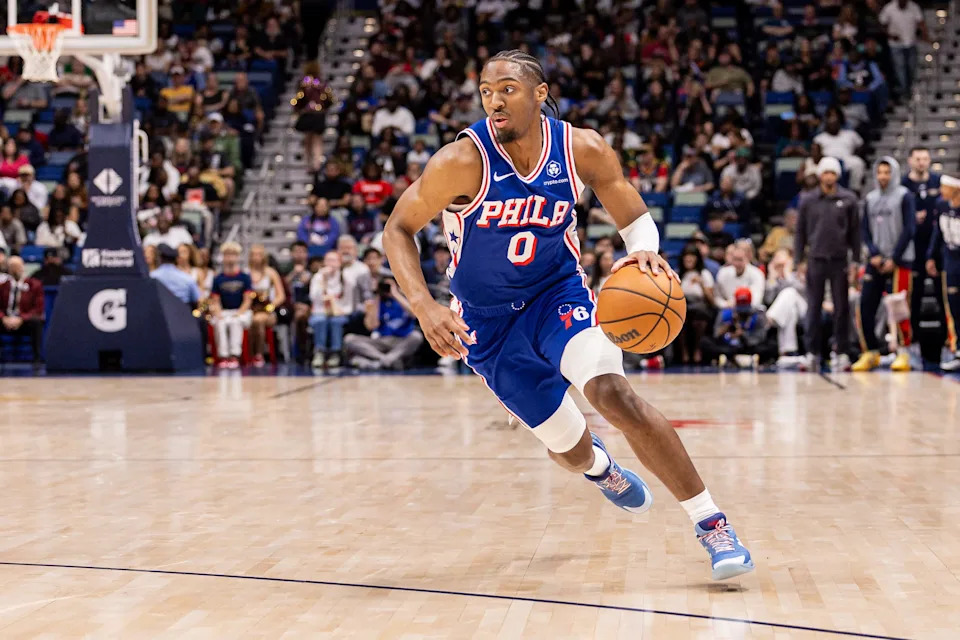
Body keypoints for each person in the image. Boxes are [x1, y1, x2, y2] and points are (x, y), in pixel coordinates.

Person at [381, 51, 753, 580]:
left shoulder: (582, 148)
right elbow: (397, 229)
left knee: (613, 393)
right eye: (486, 91)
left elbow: (634, 214)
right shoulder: (460, 161)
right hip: (486, 325)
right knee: (572, 449)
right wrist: (423, 305)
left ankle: (712, 524)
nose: (494, 101)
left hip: (558, 296)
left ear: (539, 93)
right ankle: (602, 469)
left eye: (507, 89)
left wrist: (645, 250)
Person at [795, 157, 861, 371]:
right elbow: (800, 233)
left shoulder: (849, 199)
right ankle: (812, 352)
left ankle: (841, 352)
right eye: (826, 173)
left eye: (833, 173)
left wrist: (856, 261)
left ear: (837, 175)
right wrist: (799, 260)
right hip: (815, 260)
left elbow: (855, 234)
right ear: (820, 175)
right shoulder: (807, 200)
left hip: (839, 260)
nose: (829, 177)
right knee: (813, 308)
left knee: (841, 308)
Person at [853, 157, 916, 372]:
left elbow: (909, 229)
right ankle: (870, 352)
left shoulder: (904, 196)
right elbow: (865, 230)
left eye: (887, 172)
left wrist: (894, 258)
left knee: (899, 307)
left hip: (900, 259)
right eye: (879, 172)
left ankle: (903, 352)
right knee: (865, 306)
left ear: (894, 174)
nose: (883, 176)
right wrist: (873, 253)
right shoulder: (870, 199)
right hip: (876, 260)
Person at [902, 146, 943, 344]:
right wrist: (911, 218)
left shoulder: (938, 181)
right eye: (917, 158)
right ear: (910, 160)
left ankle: (947, 340)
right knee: (914, 294)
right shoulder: (903, 185)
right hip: (912, 248)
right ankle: (912, 339)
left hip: (936, 248)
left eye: (925, 158)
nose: (921, 162)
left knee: (941, 294)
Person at [343, 276, 424, 370]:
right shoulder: (376, 303)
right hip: (380, 341)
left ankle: (379, 362)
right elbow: (371, 326)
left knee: (417, 336)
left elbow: (415, 315)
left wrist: (395, 294)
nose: (386, 288)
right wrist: (376, 295)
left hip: (401, 340)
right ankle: (386, 360)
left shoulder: (405, 299)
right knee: (349, 339)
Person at [925, 175, 960, 371]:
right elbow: (937, 234)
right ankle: (957, 350)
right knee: (954, 307)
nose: (940, 190)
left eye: (944, 187)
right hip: (950, 261)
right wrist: (931, 257)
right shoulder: (942, 206)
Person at [701, 288, 776, 368]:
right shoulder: (725, 313)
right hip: (729, 347)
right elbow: (716, 334)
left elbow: (761, 337)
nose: (742, 313)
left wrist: (743, 335)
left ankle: (731, 358)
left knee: (772, 345)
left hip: (749, 347)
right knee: (705, 342)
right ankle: (731, 358)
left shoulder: (758, 315)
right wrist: (725, 329)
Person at [209, 242, 254, 369]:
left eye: (233, 255)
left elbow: (247, 300)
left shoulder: (245, 277)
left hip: (241, 311)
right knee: (220, 323)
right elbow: (215, 301)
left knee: (235, 322)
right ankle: (223, 356)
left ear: (238, 257)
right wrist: (218, 313)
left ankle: (235, 355)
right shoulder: (218, 279)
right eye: (227, 255)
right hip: (224, 311)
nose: (230, 258)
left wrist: (239, 312)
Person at [763, 249, 808, 366]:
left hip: (805, 310)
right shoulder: (774, 279)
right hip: (787, 315)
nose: (778, 261)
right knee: (790, 313)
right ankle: (788, 353)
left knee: (789, 292)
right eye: (776, 258)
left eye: (781, 258)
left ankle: (768, 319)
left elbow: (803, 291)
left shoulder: (796, 275)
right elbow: (768, 299)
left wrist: (787, 274)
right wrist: (772, 278)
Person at [309, 250, 349, 368]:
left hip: (340, 311)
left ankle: (335, 353)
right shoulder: (318, 277)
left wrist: (338, 309)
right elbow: (314, 298)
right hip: (320, 311)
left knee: (336, 321)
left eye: (334, 260)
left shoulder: (345, 277)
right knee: (320, 320)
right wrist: (324, 281)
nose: (331, 263)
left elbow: (347, 300)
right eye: (328, 260)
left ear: (340, 263)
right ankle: (319, 352)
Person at [879, 0, 927, 100]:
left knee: (912, 68)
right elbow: (882, 24)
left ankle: (909, 88)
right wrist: (890, 35)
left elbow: (921, 23)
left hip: (911, 43)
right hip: (896, 45)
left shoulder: (914, 7)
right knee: (900, 68)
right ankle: (905, 91)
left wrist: (925, 36)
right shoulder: (889, 8)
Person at [248, 244, 286, 368]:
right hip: (249, 309)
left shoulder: (271, 273)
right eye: (253, 254)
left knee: (258, 320)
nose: (256, 257)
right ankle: (246, 354)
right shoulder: (245, 273)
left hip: (267, 312)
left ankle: (258, 353)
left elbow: (281, 296)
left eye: (259, 254)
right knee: (248, 320)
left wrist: (269, 306)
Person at [0, 255, 44, 362]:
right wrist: (3, 318)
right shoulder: (3, 286)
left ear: (23, 267)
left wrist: (21, 318)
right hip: (6, 320)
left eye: (18, 266)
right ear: (8, 269)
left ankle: (37, 359)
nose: (15, 269)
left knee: (36, 322)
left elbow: (38, 309)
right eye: (13, 266)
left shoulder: (35, 285)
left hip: (24, 321)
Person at [677, 247, 716, 365]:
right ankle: (684, 352)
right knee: (680, 317)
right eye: (686, 256)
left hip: (701, 305)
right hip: (682, 305)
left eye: (692, 256)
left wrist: (701, 284)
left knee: (699, 314)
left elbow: (712, 300)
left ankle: (697, 349)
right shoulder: (678, 274)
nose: (688, 259)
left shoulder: (704, 274)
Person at [813, 108, 866, 193]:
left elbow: (861, 145)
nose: (833, 126)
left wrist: (856, 154)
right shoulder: (820, 137)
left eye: (835, 124)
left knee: (858, 163)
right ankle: (818, 191)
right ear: (827, 125)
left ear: (839, 124)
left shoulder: (850, 134)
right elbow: (815, 153)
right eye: (831, 124)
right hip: (827, 160)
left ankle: (855, 190)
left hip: (846, 159)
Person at [714, 244, 764, 310]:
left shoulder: (757, 274)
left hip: (750, 310)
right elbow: (716, 297)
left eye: (740, 260)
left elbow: (756, 299)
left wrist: (738, 304)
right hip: (728, 308)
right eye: (735, 259)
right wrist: (725, 304)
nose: (737, 263)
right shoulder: (723, 273)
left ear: (747, 259)